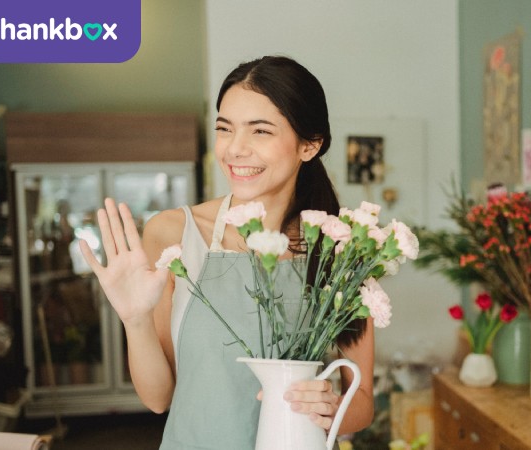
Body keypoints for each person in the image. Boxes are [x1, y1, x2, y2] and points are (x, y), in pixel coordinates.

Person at [79, 55, 375, 449]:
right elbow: (157, 398)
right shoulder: (174, 234)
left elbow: (363, 402)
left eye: (260, 131)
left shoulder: (341, 250)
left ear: (309, 145)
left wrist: (329, 406)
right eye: (224, 128)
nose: (235, 149)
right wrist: (135, 320)